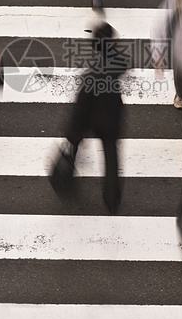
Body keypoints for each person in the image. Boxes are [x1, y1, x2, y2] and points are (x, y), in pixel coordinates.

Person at [51, 23, 127, 215]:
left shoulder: (90, 76)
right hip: (111, 118)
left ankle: (67, 181)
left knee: (74, 146)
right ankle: (112, 200)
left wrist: (72, 132)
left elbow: (80, 109)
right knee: (111, 157)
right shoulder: (118, 64)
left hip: (91, 119)